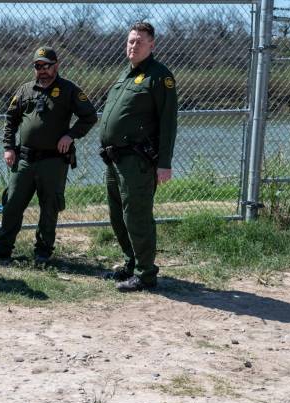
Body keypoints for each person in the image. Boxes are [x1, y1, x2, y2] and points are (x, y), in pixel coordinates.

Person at [0, 47, 97, 266]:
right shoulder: (25, 90)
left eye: (47, 65)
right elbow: (11, 119)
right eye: (38, 66)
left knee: (49, 208)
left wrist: (70, 135)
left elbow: (89, 116)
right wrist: (9, 147)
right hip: (25, 159)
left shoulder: (69, 89)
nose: (42, 70)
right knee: (12, 204)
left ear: (57, 65)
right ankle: (2, 250)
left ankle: (42, 253)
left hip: (53, 161)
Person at [99, 21, 178, 292]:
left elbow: (168, 123)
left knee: (137, 216)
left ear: (152, 45)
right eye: (131, 41)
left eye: (140, 42)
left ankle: (146, 274)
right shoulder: (125, 75)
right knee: (117, 215)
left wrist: (164, 164)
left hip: (138, 161)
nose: (133, 46)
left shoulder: (159, 77)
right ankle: (131, 263)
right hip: (115, 159)